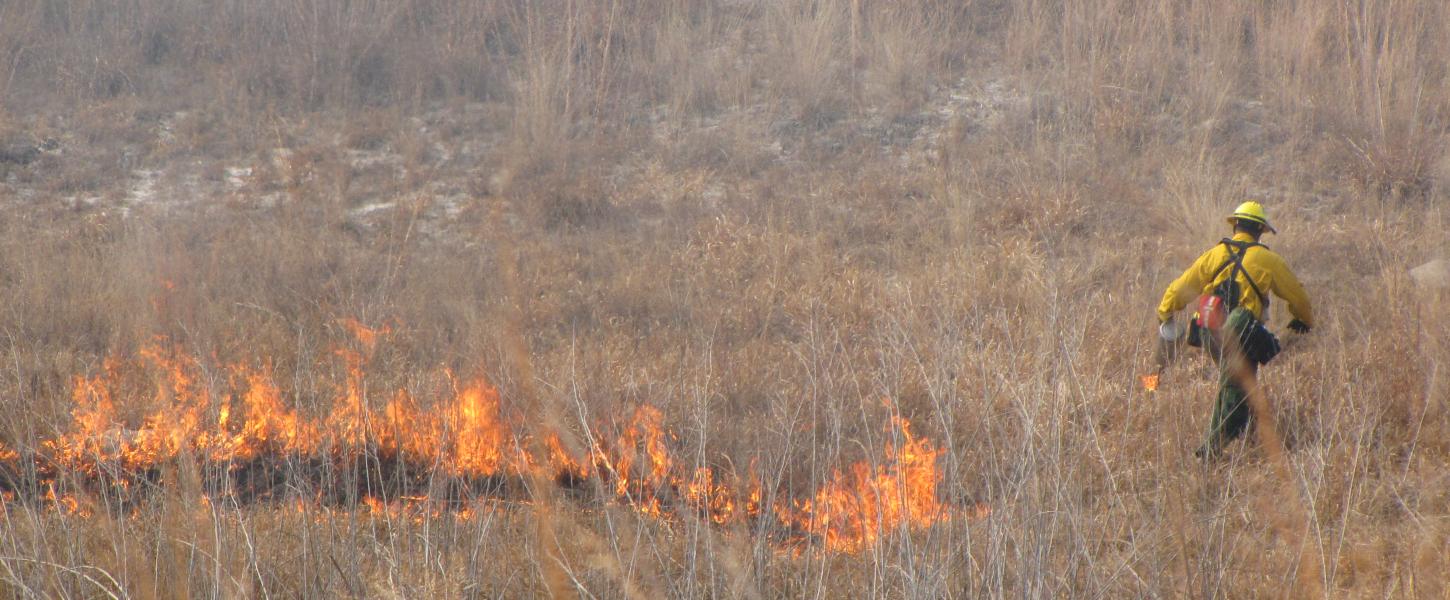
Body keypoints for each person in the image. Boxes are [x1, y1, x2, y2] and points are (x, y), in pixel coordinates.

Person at [1157, 202, 1313, 458]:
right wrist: (1302, 320)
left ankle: (1248, 434)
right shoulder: (1268, 259)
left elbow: (1179, 288)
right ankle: (1211, 451)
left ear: (1235, 225)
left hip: (1208, 329)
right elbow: (1299, 298)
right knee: (1237, 388)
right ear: (1261, 230)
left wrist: (1165, 313)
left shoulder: (1215, 254)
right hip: (1241, 332)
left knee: (1236, 382)